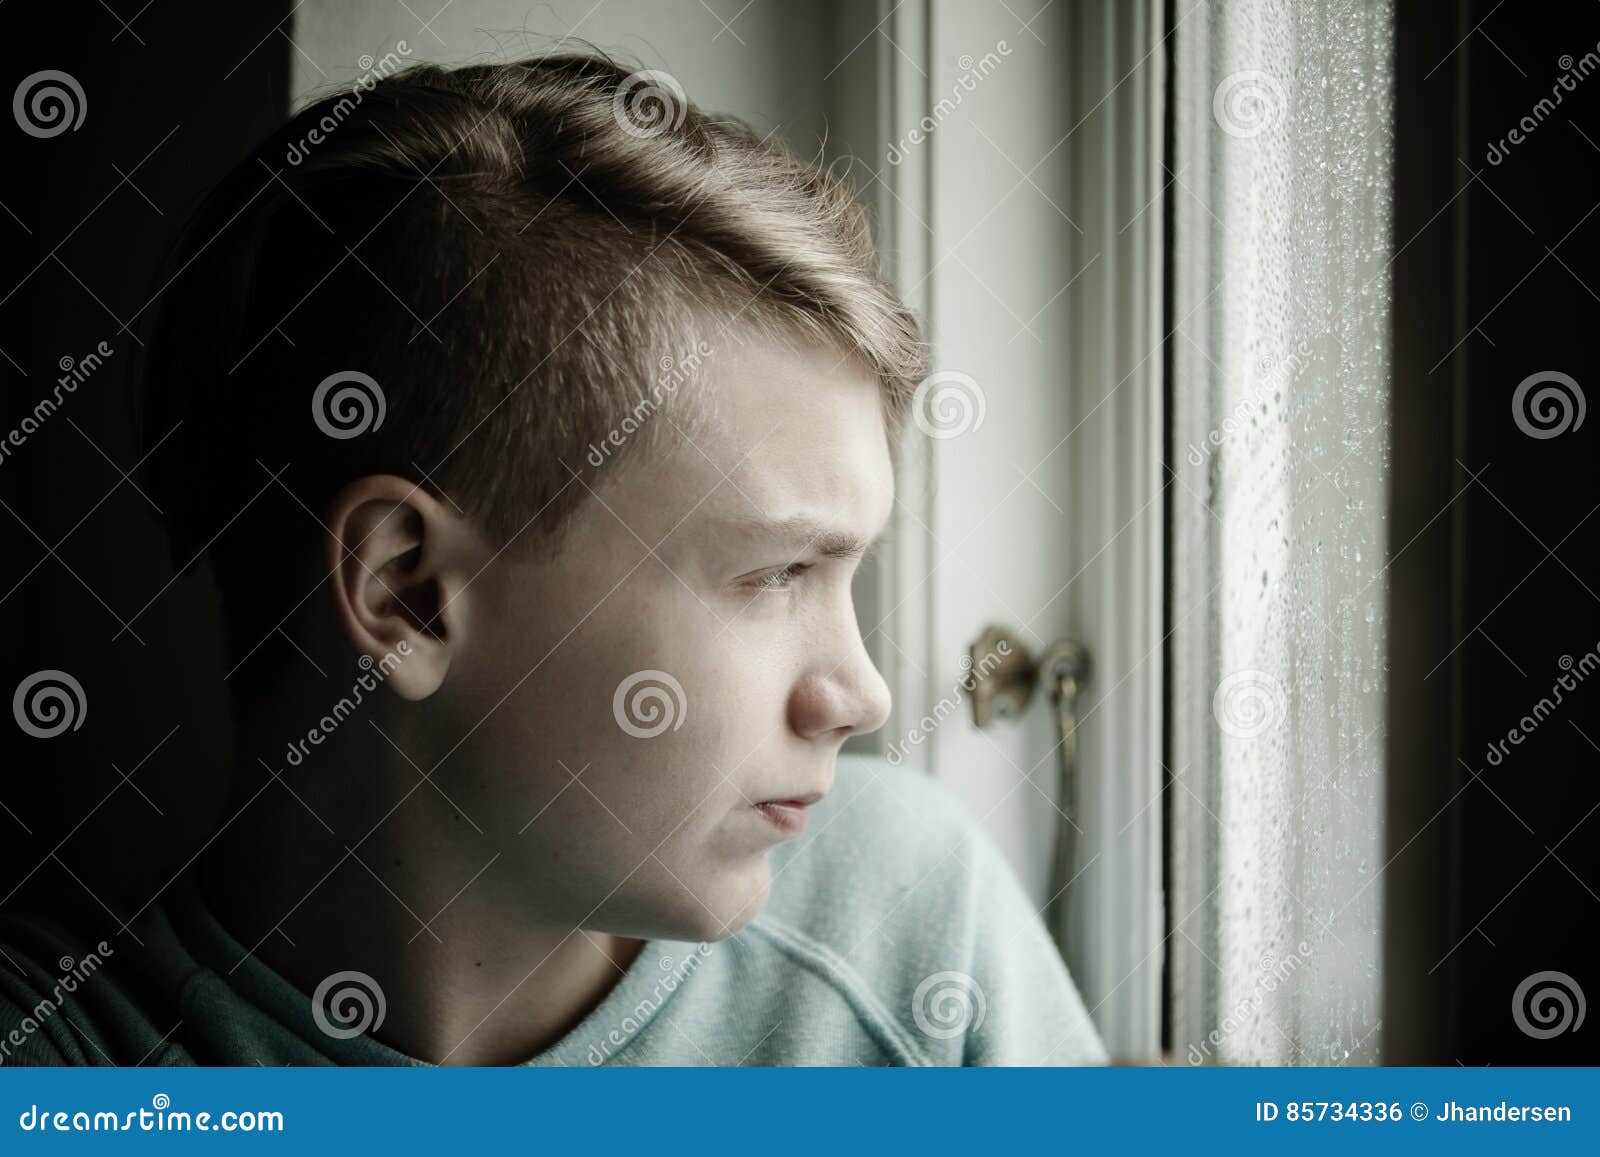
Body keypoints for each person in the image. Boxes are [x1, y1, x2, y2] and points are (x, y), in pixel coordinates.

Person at [0, 52, 1106, 1067]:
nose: (858, 695)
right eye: (775, 575)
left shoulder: (905, 913)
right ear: (409, 592)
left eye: (846, 571)